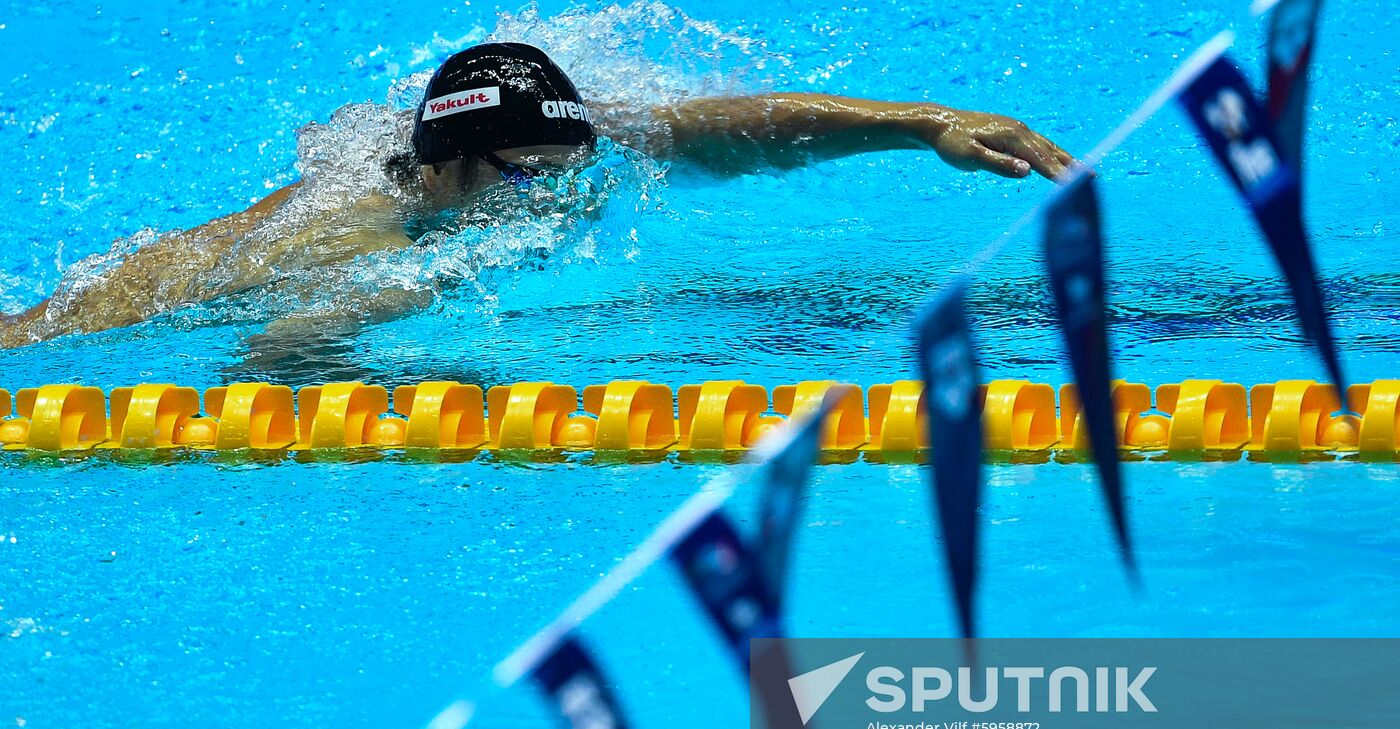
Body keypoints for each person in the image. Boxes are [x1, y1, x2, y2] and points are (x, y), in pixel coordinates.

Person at [0, 42, 1076, 350]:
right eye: (529, 178)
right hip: (144, 301)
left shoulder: (543, 145)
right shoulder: (377, 236)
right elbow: (285, 345)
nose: (559, 195)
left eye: (571, 167)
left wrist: (919, 124)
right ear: (452, 171)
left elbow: (732, 127)